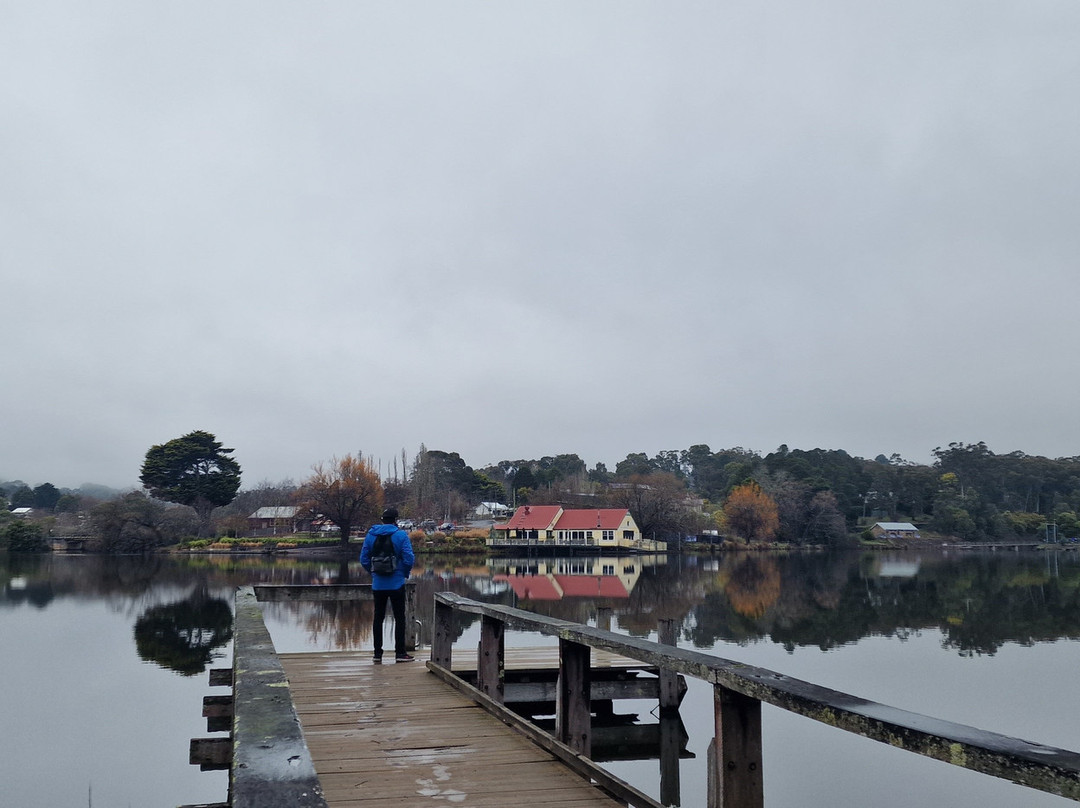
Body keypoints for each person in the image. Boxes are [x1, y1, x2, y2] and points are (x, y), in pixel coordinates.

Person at [360, 507, 416, 663]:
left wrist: (373, 572)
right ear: (396, 520)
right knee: (400, 618)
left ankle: (377, 654)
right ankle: (400, 653)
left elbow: (364, 559)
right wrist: (403, 573)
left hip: (378, 584)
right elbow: (409, 558)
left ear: (382, 520)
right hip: (396, 583)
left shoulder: (371, 535)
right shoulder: (400, 535)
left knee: (378, 618)